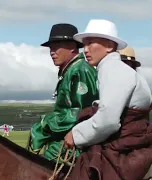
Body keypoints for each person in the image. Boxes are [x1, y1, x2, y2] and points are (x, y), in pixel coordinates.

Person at [64, 19, 152, 180]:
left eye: (91, 43)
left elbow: (108, 121)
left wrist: (75, 135)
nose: (85, 50)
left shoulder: (114, 70)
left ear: (109, 46)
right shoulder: (110, 69)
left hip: (125, 144)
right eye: (84, 45)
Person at [28, 23, 99, 163]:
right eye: (50, 48)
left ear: (72, 46)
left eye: (56, 46)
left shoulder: (80, 70)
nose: (51, 52)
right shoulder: (69, 70)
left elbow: (82, 112)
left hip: (77, 143)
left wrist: (44, 125)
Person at [117, 46, 152, 155]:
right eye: (120, 63)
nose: (123, 67)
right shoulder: (139, 81)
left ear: (131, 65)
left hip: (131, 134)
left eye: (125, 63)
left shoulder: (135, 83)